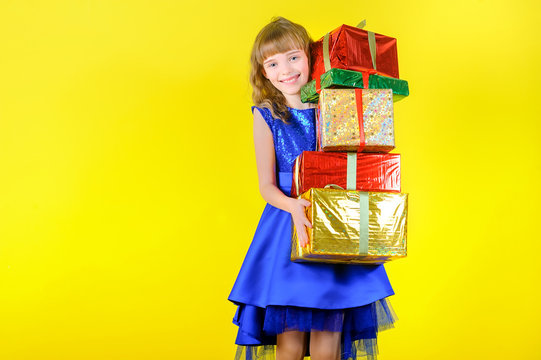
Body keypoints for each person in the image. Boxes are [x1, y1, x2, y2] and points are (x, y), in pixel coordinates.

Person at [228, 17, 397, 360]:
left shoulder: (337, 108)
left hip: (335, 222)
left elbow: (361, 162)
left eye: (293, 57)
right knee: (289, 339)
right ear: (263, 72)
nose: (285, 70)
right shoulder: (266, 115)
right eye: (272, 63)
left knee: (328, 338)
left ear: (311, 57)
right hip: (289, 226)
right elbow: (266, 185)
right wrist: (292, 207)